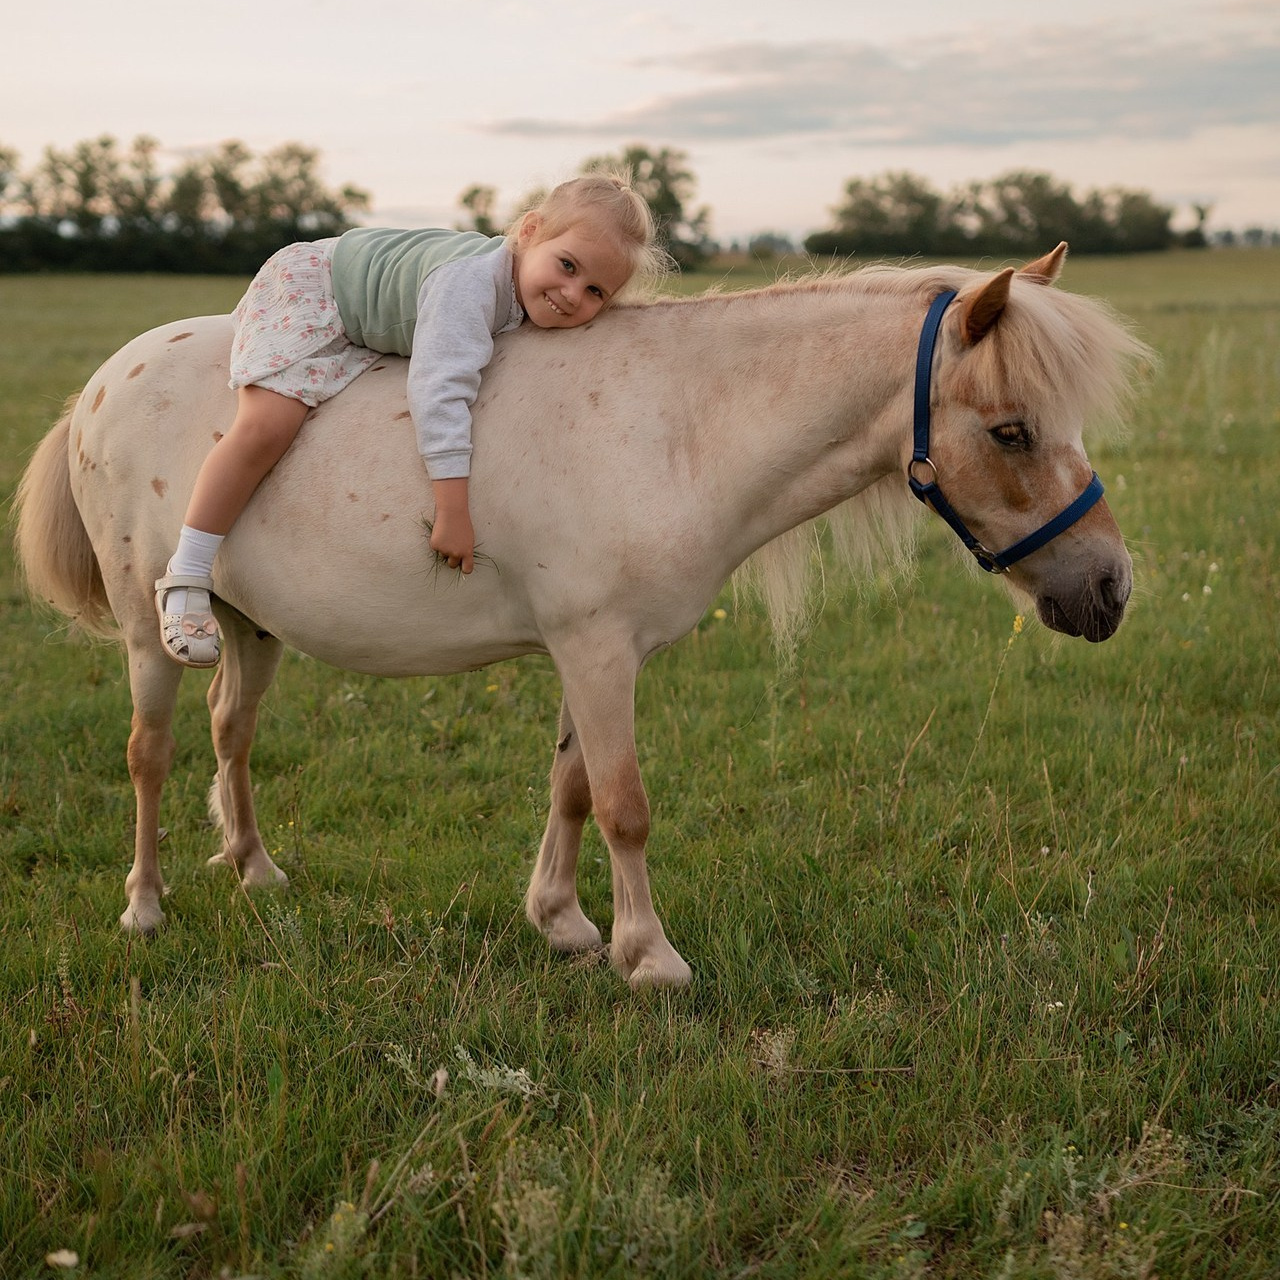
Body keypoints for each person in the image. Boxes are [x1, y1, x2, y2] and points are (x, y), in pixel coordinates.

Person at [154, 173, 667, 667]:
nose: (574, 295)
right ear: (528, 233)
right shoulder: (469, 288)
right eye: (568, 266)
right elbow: (440, 390)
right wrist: (452, 510)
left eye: (597, 292)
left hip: (363, 289)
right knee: (266, 426)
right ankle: (188, 574)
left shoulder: (525, 287)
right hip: (315, 288)